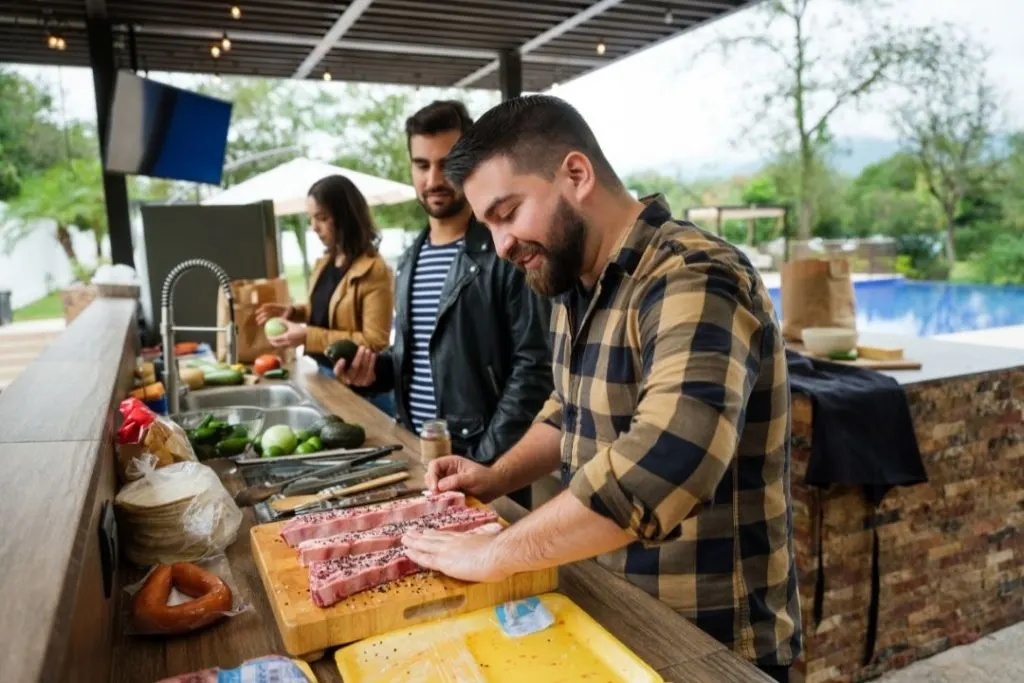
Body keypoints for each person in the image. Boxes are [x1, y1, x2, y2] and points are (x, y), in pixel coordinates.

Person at [397, 95, 802, 682]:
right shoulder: (573, 281)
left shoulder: (694, 274)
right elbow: (569, 411)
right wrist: (495, 475)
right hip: (612, 618)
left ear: (576, 174)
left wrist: (494, 554)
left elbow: (665, 461)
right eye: (490, 225)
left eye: (508, 212)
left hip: (710, 643)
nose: (503, 244)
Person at [334, 100, 552, 508]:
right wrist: (375, 373)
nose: (433, 178)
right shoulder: (411, 255)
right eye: (421, 164)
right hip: (418, 455)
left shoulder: (505, 250)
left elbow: (535, 369)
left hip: (487, 465)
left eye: (447, 162)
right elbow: (422, 357)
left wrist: (485, 462)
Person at [256, 175, 395, 414]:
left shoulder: (375, 270)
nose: (314, 227)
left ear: (346, 217)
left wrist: (307, 336)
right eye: (311, 218)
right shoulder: (325, 262)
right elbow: (327, 311)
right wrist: (294, 312)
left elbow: (375, 341)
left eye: (322, 218)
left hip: (361, 388)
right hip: (323, 374)